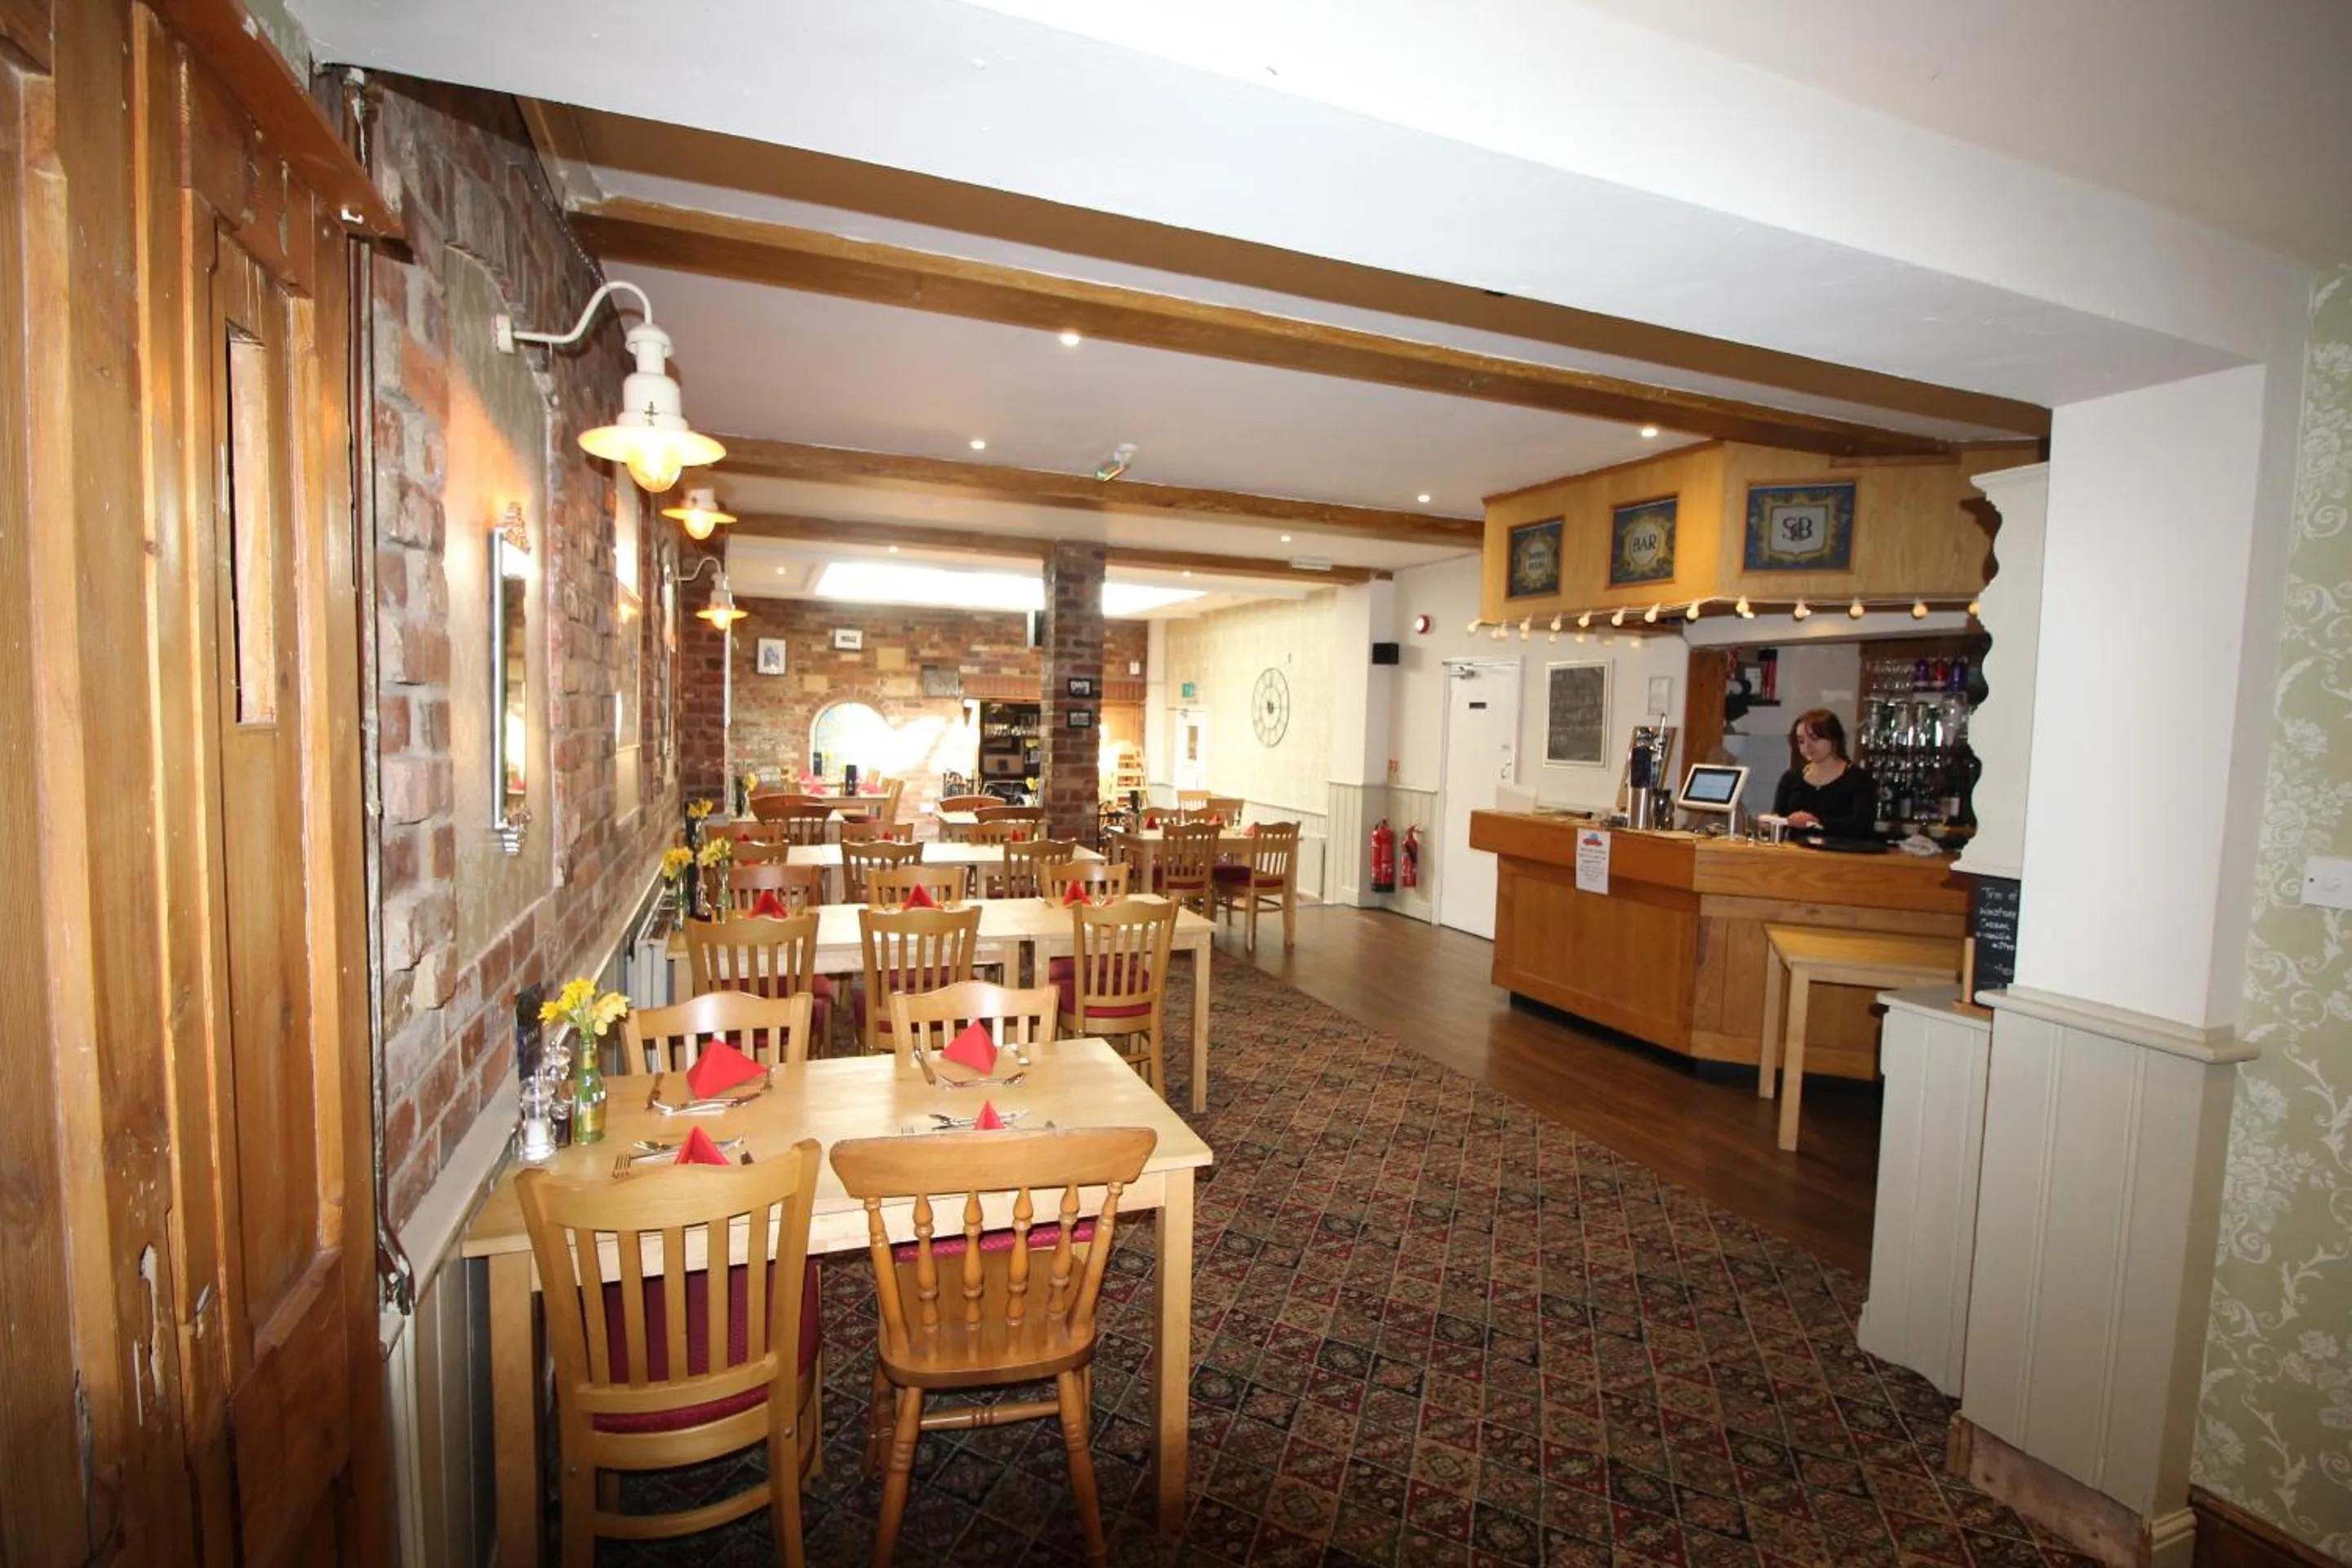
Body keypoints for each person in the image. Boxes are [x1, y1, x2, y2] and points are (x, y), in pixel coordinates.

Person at [1772, 708, 1878, 837]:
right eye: (1801, 741)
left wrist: (1817, 823)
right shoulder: (1791, 778)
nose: (1807, 746)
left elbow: (1863, 825)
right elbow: (1779, 819)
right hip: (1796, 849)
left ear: (1834, 739)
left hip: (1841, 849)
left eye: (1815, 738)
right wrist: (1769, 823)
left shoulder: (1860, 779)